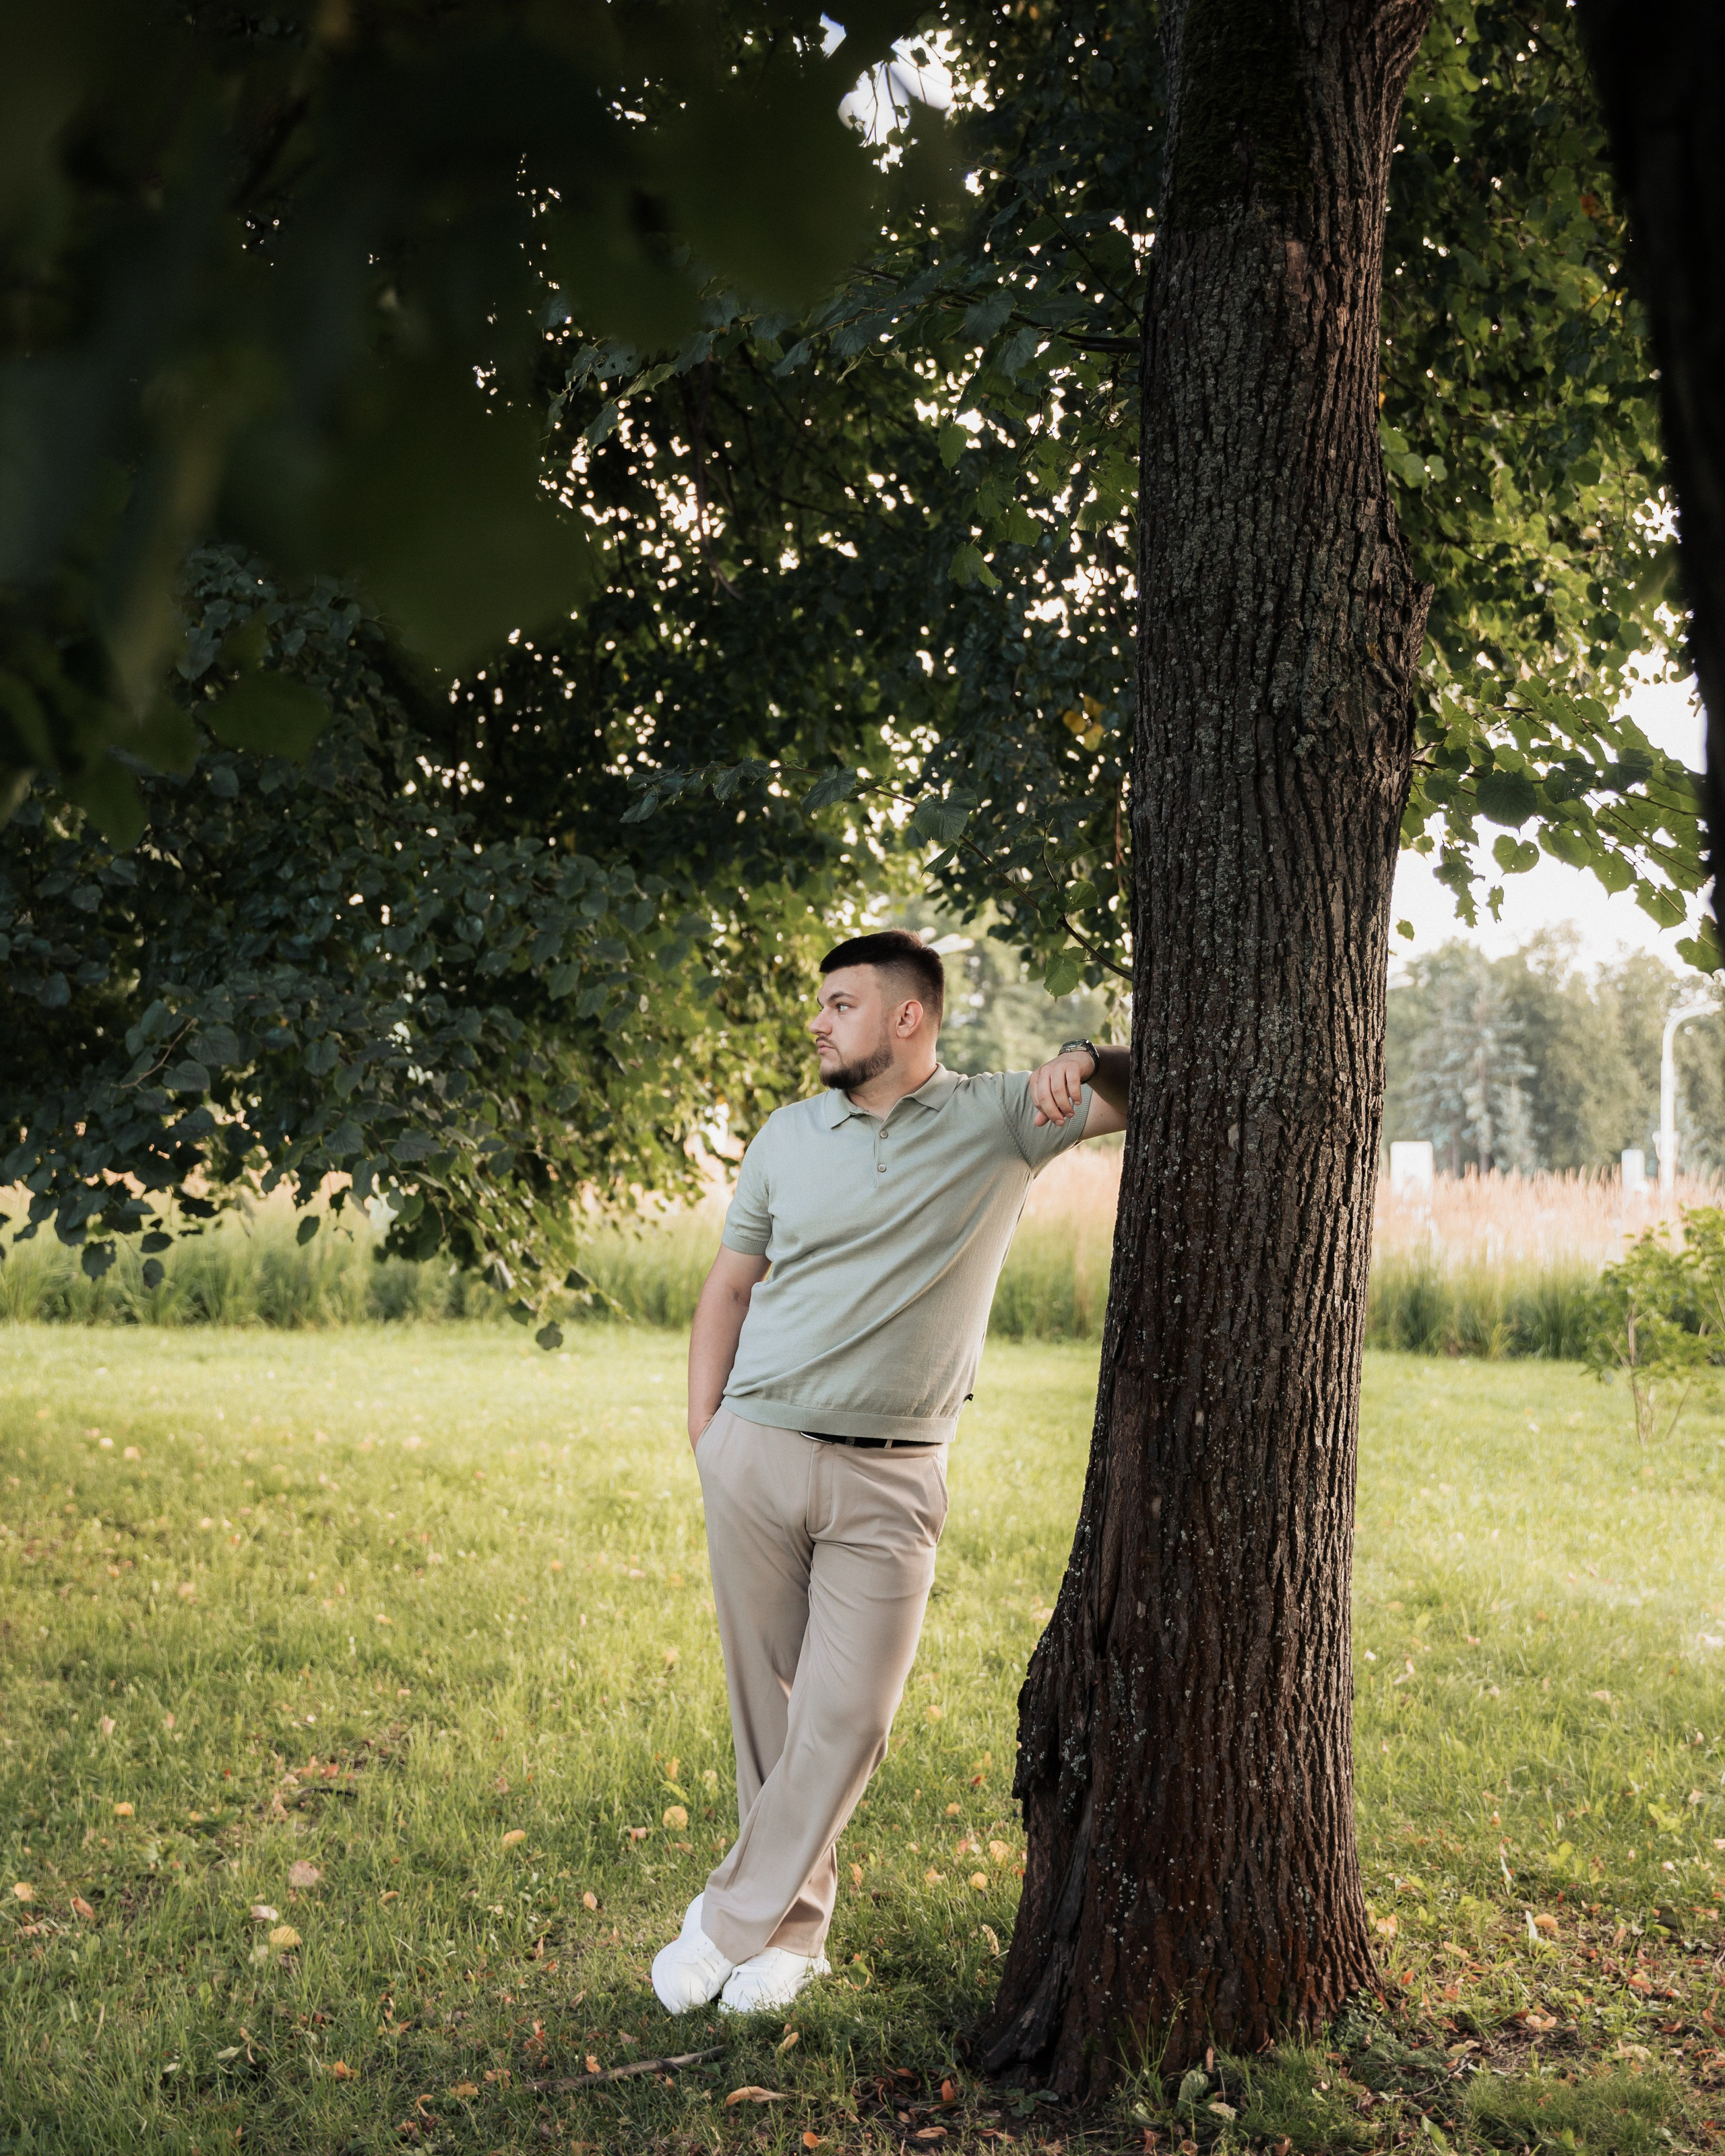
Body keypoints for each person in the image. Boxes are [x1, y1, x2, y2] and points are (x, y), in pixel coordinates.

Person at [650, 928, 1129, 2015]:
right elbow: (728, 1290)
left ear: (906, 1017)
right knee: (768, 1715)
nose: (817, 1023)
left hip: (894, 1477)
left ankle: (727, 1920)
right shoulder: (784, 1135)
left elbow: (1161, 1087)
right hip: (756, 1451)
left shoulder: (1002, 1119)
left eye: (839, 1003)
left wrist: (1088, 1057)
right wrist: (707, 1438)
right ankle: (795, 1939)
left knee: (849, 1717)